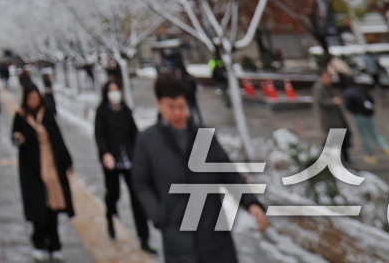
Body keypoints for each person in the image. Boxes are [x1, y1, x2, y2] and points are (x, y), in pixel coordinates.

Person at [132, 72, 268, 263]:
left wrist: (251, 203)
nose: (178, 113)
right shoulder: (147, 141)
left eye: (181, 106)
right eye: (171, 107)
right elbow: (140, 183)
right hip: (177, 235)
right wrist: (158, 214)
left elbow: (228, 173)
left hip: (213, 232)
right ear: (158, 103)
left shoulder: (203, 137)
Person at [12, 86, 75, 259]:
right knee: (38, 210)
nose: (33, 101)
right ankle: (39, 242)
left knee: (52, 208)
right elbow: (15, 134)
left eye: (36, 98)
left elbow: (58, 138)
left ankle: (54, 244)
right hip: (32, 170)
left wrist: (67, 161)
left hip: (51, 167)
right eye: (30, 98)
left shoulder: (47, 115)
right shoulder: (20, 115)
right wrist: (18, 138)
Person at [93, 80, 153, 252]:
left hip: (129, 159)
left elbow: (135, 134)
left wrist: (141, 154)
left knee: (137, 198)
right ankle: (110, 215)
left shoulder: (125, 111)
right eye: (111, 90)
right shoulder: (102, 112)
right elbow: (99, 135)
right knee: (113, 193)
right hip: (111, 161)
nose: (114, 93)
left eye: (117, 90)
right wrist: (105, 153)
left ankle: (144, 238)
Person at [343, 80, 389, 165]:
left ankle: (371, 156)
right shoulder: (363, 91)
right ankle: (388, 151)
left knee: (364, 136)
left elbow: (348, 106)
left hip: (359, 116)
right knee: (376, 135)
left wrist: (353, 111)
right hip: (370, 115)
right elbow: (372, 101)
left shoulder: (349, 93)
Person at [312, 68, 351, 166]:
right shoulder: (319, 88)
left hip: (337, 118)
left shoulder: (328, 87)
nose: (329, 79)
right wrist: (333, 101)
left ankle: (344, 157)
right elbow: (321, 101)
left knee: (342, 138)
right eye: (327, 77)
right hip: (330, 120)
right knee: (334, 140)